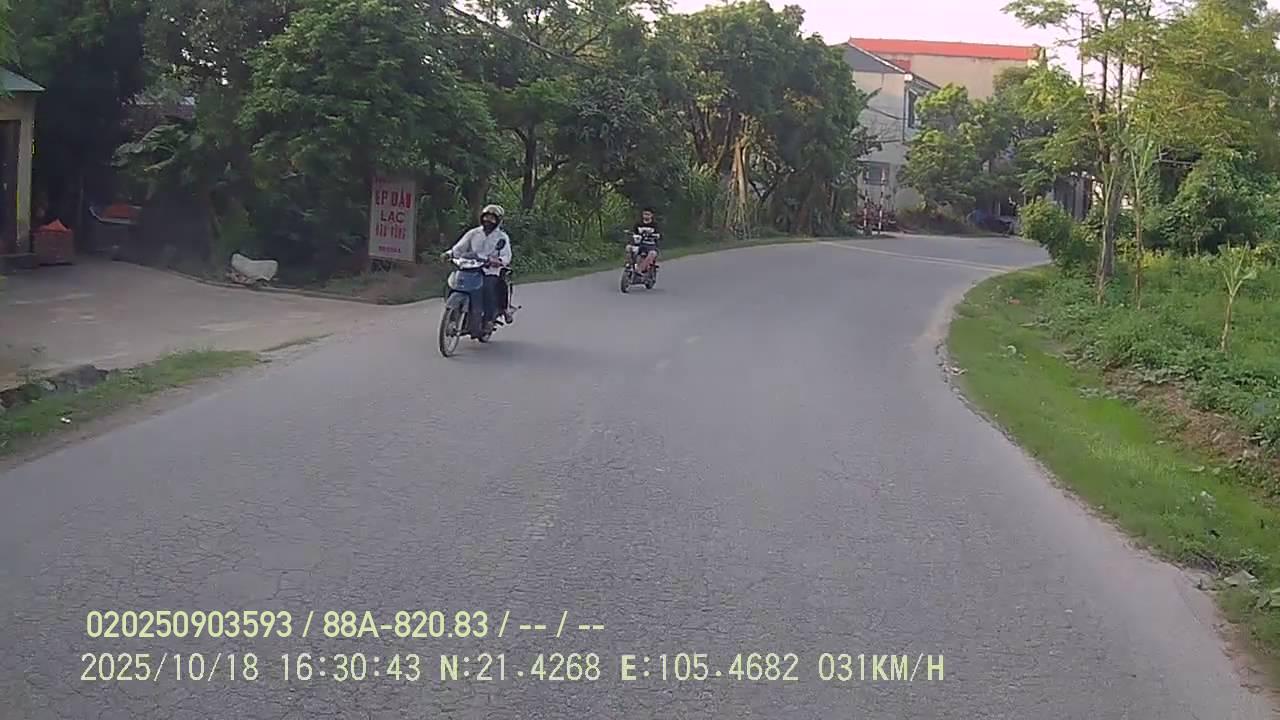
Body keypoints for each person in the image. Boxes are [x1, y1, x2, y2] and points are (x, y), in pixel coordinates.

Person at [443, 204, 513, 330]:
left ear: (498, 221)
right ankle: (455, 311)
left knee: (488, 288)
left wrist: (497, 261)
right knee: (454, 283)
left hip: (489, 270)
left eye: (492, 219)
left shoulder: (502, 237)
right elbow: (459, 248)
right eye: (486, 217)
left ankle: (489, 319)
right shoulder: (473, 233)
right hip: (470, 266)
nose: (488, 221)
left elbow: (506, 256)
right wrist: (449, 254)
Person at [631, 207, 661, 275]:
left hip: (651, 245)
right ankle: (630, 266)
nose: (646, 216)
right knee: (629, 248)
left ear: (651, 215)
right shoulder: (638, 224)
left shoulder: (655, 225)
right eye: (645, 214)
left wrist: (656, 236)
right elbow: (633, 232)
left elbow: (660, 234)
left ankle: (640, 269)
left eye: (648, 214)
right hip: (640, 244)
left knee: (652, 254)